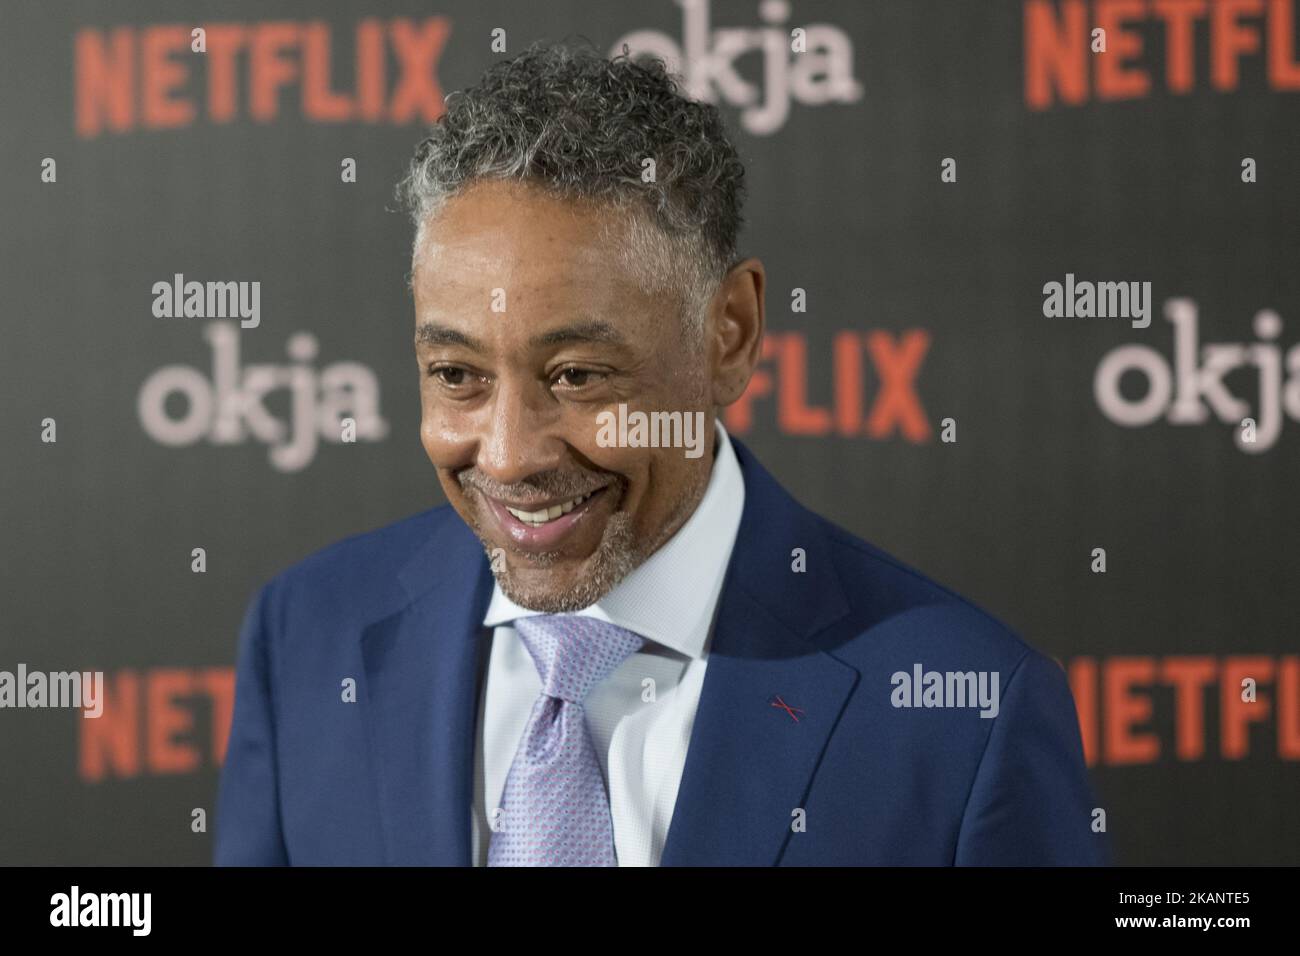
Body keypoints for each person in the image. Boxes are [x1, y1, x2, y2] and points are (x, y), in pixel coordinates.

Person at [214, 43, 1108, 866]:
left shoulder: (964, 711)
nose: (511, 455)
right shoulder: (306, 637)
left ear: (730, 333)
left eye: (578, 375)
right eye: (456, 374)